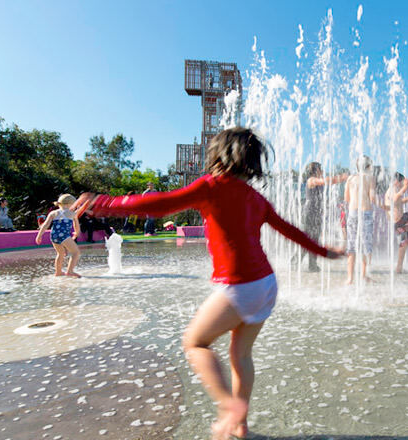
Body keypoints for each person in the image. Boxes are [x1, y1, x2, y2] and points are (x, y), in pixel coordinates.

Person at [76, 127, 342, 439]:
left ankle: (230, 407)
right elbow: (290, 230)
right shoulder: (256, 198)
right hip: (266, 284)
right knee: (240, 355)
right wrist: (325, 252)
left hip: (240, 285)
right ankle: (240, 427)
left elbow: (161, 204)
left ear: (219, 154)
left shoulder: (213, 186)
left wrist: (104, 203)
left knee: (195, 343)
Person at [300, 162, 347, 272]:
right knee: (308, 240)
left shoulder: (318, 183)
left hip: (316, 214)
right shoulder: (311, 180)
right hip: (309, 214)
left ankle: (312, 265)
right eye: (321, 169)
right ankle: (296, 261)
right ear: (316, 171)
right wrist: (340, 178)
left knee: (314, 240)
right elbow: (324, 181)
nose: (322, 171)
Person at [344, 155, 376, 284]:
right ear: (368, 167)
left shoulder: (350, 179)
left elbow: (346, 198)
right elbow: (372, 197)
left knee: (351, 246)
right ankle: (363, 276)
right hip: (365, 213)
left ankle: (350, 278)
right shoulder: (370, 178)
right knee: (366, 246)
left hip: (352, 213)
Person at [35, 194, 82, 277]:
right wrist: (77, 232)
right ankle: (70, 271)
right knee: (75, 252)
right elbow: (76, 225)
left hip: (54, 236)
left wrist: (39, 236)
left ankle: (58, 272)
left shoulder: (53, 213)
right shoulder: (72, 214)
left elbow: (45, 225)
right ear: (69, 204)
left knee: (60, 253)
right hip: (64, 236)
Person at [384, 172, 408, 273]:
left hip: (400, 221)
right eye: (402, 182)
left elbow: (399, 201)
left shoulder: (393, 190)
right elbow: (395, 199)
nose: (403, 184)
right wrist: (405, 187)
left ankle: (399, 267)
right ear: (397, 182)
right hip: (400, 220)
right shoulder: (392, 190)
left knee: (404, 243)